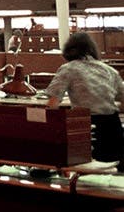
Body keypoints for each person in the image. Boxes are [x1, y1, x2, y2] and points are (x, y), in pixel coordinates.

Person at [46, 32, 124, 170]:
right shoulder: (109, 70)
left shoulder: (68, 69)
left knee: (88, 174)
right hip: (113, 126)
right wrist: (106, 102)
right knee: (114, 172)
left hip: (87, 126)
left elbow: (53, 104)